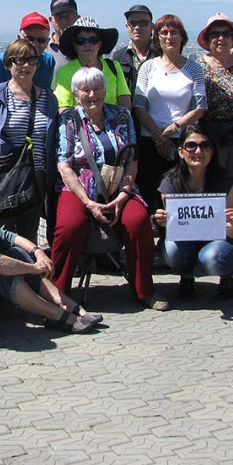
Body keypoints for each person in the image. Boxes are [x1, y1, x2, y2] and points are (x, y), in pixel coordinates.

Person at [51, 67, 169, 311]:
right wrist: (88, 203)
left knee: (138, 222)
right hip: (79, 188)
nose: (92, 94)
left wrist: (124, 194)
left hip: (120, 185)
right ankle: (58, 293)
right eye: (85, 90)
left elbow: (133, 158)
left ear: (106, 91)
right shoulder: (68, 120)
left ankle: (145, 289)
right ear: (76, 94)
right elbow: (65, 166)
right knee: (69, 227)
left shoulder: (122, 116)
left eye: (97, 88)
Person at [0, 169, 100, 333]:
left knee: (18, 253)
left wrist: (38, 252)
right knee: (0, 276)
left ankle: (71, 306)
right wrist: (34, 268)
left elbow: (7, 236)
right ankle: (59, 316)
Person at [0, 39, 59, 242]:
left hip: (37, 174)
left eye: (32, 60)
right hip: (6, 175)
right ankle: (5, 272)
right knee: (3, 231)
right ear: (9, 64)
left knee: (30, 231)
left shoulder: (47, 96)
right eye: (20, 60)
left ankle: (29, 271)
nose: (27, 66)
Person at [153, 125, 233, 301]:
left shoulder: (227, 182)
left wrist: (232, 226)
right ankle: (186, 276)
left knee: (212, 258)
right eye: (191, 145)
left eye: (205, 145)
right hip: (186, 240)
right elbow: (171, 229)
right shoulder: (170, 182)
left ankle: (230, 274)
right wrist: (162, 222)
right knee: (170, 250)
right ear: (181, 151)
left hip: (218, 242)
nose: (198, 151)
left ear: (212, 151)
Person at [133, 14, 207, 211]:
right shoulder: (147, 67)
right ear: (157, 37)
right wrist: (159, 136)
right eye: (163, 32)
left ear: (182, 37)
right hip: (150, 140)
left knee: (179, 197)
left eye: (174, 32)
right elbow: (139, 105)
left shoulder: (194, 68)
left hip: (182, 142)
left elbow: (200, 107)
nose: (169, 37)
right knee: (150, 195)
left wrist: (174, 128)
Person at [196, 13, 233, 229]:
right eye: (215, 34)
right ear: (208, 38)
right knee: (209, 186)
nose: (220, 38)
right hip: (208, 135)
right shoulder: (198, 68)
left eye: (225, 34)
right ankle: (210, 232)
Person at [54, 17, 132, 114]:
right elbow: (63, 108)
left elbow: (124, 99)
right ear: (74, 45)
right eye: (81, 41)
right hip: (80, 126)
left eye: (93, 40)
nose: (87, 44)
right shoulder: (65, 71)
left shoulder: (114, 66)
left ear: (99, 44)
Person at [0, 12, 55, 89]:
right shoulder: (1, 61)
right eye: (30, 38)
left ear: (48, 42)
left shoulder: (48, 61)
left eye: (41, 40)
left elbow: (46, 94)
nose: (35, 44)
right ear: (19, 38)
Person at [111, 4, 158, 97]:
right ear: (127, 26)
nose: (137, 27)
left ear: (152, 27)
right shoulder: (118, 57)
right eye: (133, 23)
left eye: (143, 23)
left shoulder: (161, 55)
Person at [47, 0, 80, 84]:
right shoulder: (43, 48)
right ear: (51, 20)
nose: (64, 21)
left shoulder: (88, 46)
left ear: (77, 18)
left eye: (67, 16)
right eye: (59, 17)